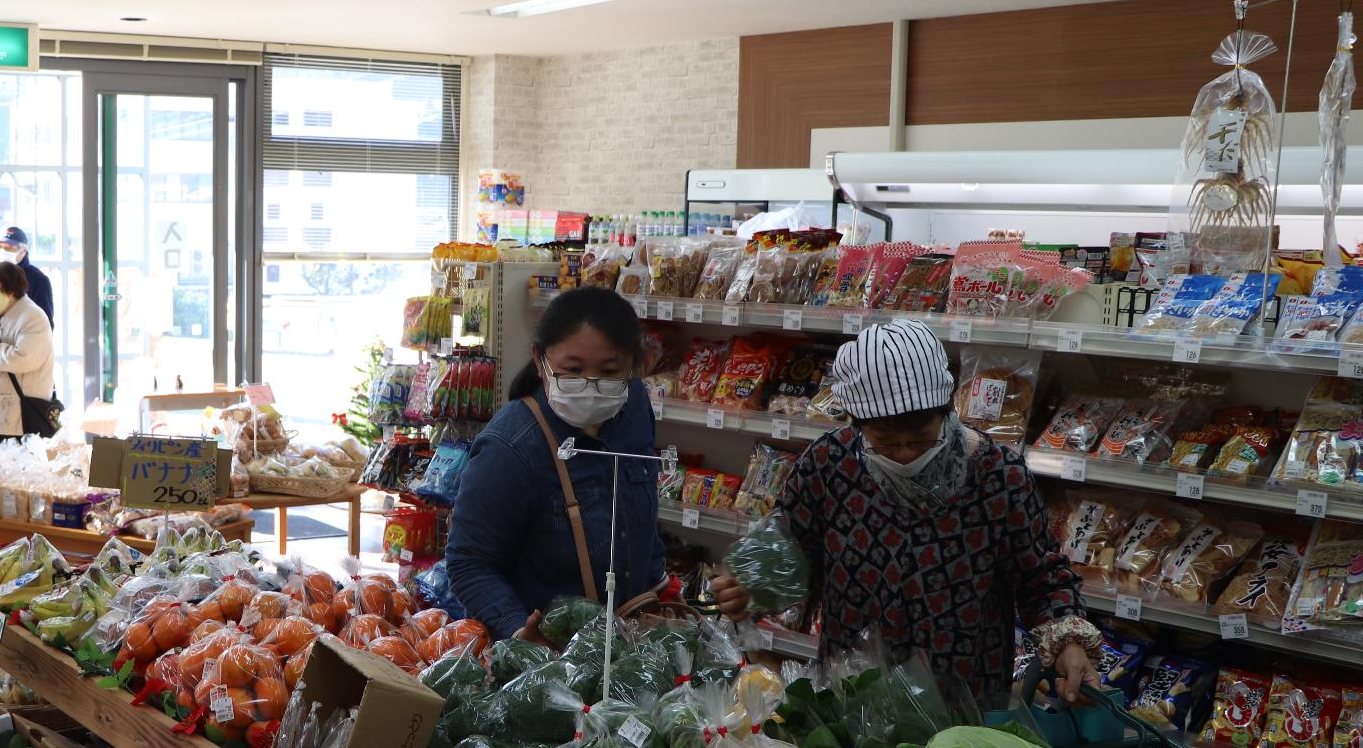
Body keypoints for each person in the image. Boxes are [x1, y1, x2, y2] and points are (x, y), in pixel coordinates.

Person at [708, 319, 1101, 711]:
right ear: (857, 425)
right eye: (885, 440)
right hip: (856, 688)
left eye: (919, 437)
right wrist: (751, 585)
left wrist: (1068, 640)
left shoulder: (999, 475)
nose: (905, 452)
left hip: (965, 694)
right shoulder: (830, 463)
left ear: (947, 412)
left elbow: (1041, 576)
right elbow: (791, 547)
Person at [448, 288, 669, 641]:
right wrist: (520, 631)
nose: (591, 386)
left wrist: (661, 588)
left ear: (634, 368)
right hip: (552, 659)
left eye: (610, 372)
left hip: (632, 640)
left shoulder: (635, 407)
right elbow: (468, 562)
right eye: (573, 371)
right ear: (540, 361)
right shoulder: (511, 446)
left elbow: (639, 508)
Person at [0, 260, 58, 438]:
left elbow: (23, 358)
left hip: (24, 415)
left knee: (22, 464)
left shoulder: (33, 317)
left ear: (10, 288)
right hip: (3, 416)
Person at [0, 226, 55, 329]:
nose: (4, 251)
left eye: (10, 248)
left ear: (23, 251)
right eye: (0, 247)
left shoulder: (39, 280)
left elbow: (46, 326)